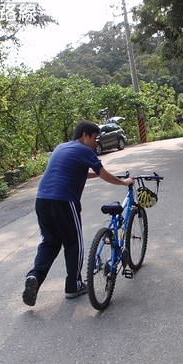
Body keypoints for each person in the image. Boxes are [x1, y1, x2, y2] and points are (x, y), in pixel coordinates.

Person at [23, 121, 134, 307]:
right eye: (95, 138)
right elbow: (103, 173)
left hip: (42, 200)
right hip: (64, 201)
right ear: (85, 135)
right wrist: (125, 182)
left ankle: (34, 276)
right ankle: (73, 286)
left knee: (49, 243)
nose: (96, 143)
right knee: (74, 243)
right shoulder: (85, 150)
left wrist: (104, 175)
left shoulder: (61, 147)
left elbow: (75, 171)